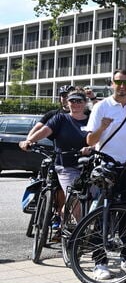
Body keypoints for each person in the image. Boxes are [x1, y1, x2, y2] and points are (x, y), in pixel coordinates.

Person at [85, 69, 126, 281]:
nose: (122, 86)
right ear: (111, 84)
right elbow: (89, 140)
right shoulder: (101, 106)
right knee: (101, 215)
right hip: (105, 167)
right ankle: (100, 262)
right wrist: (102, 126)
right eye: (118, 82)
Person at [20, 90, 91, 226]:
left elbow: (98, 138)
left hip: (87, 166)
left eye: (79, 101)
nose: (75, 104)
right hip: (66, 166)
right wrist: (29, 141)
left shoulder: (91, 119)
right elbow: (44, 131)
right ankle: (81, 237)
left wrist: (91, 148)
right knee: (74, 199)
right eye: (72, 101)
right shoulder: (60, 118)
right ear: (67, 103)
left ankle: (69, 220)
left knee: (92, 199)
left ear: (85, 103)